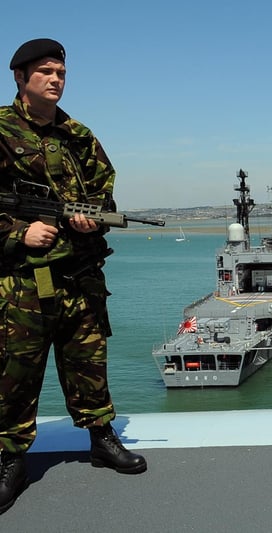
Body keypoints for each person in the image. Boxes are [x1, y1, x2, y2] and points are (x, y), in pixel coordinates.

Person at [0, 38, 146, 514]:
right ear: (20, 77)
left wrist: (90, 220)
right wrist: (19, 232)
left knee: (88, 361)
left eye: (61, 72)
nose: (56, 79)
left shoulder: (80, 136)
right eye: (45, 71)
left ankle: (101, 438)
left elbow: (103, 198)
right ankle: (10, 457)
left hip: (78, 275)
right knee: (15, 372)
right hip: (21, 282)